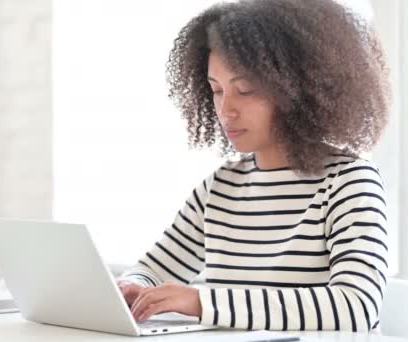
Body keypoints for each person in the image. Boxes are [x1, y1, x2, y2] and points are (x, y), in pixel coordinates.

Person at [117, 0, 390, 332]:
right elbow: (153, 270)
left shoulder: (348, 183)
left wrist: (203, 302)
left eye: (245, 90)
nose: (226, 110)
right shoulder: (219, 189)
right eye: (216, 90)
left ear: (298, 90)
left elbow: (356, 307)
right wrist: (130, 287)